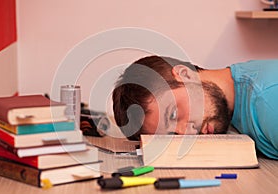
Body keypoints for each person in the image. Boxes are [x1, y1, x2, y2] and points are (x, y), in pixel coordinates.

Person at [112, 55, 278, 159]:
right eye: (172, 134)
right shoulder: (232, 98)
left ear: (185, 74)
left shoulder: (268, 100)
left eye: (174, 114)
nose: (186, 133)